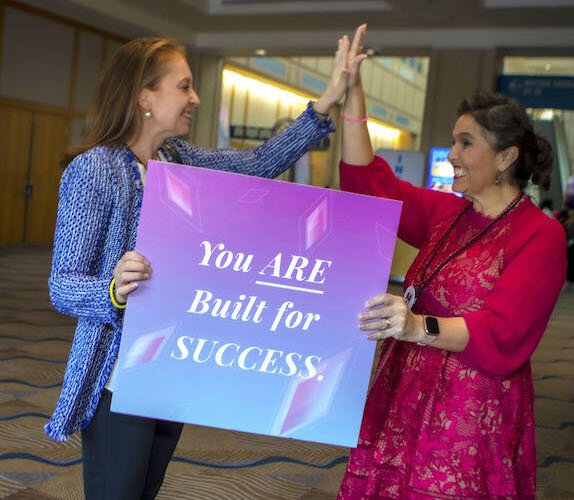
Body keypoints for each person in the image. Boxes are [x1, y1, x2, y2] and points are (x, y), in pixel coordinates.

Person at [46, 32, 358, 499]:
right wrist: (111, 289)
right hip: (117, 377)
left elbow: (256, 165)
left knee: (143, 491)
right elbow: (63, 285)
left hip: (168, 368)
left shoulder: (174, 160)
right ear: (144, 97)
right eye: (184, 86)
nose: (194, 98)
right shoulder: (96, 169)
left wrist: (326, 103)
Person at [336, 36, 566, 497]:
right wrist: (353, 90)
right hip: (405, 384)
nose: (452, 154)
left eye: (466, 143)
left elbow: (502, 330)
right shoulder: (448, 213)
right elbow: (371, 186)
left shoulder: (540, 235)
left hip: (469, 408)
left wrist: (418, 325)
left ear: (506, 156)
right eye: (452, 141)